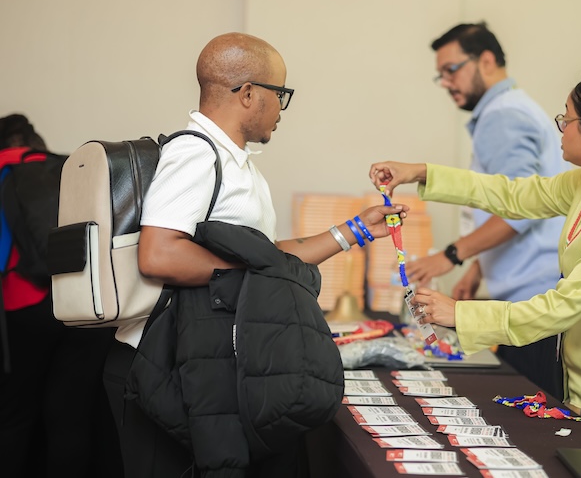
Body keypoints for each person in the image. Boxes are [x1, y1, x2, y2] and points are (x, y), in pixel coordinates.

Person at [102, 32, 409, 477]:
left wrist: (356, 230)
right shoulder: (195, 152)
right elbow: (160, 254)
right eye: (279, 94)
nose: (281, 108)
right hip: (160, 366)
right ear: (248, 94)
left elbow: (265, 257)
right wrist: (260, 272)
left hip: (197, 361)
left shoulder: (236, 163)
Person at [369, 74, 581, 451]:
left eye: (566, 119)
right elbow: (514, 194)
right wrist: (421, 172)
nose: (560, 127)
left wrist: (460, 314)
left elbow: (563, 307)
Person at [405, 22, 567, 399]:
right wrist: (478, 267)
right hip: (528, 294)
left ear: (487, 61)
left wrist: (451, 255)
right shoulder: (509, 110)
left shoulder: (503, 116)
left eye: (451, 70)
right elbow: (510, 201)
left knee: (529, 416)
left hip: (534, 301)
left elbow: (520, 207)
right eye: (441, 75)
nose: (446, 82)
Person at [0, 114, 122, 477]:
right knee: (71, 414)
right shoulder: (71, 166)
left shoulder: (4, 170)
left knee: (15, 415)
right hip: (84, 303)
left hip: (24, 305)